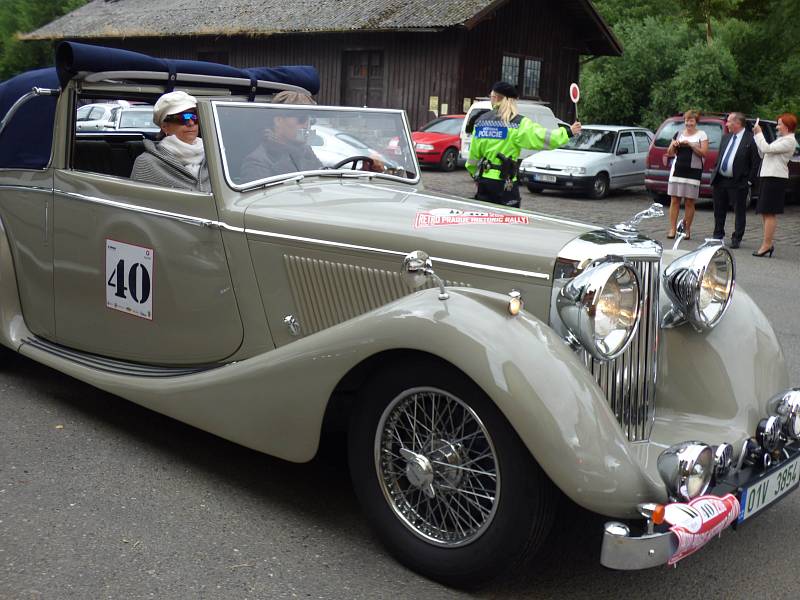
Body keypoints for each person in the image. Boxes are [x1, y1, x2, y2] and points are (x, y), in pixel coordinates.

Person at [466, 81, 581, 207]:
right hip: (506, 182)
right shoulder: (518, 123)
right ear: (512, 101)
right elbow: (544, 138)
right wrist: (569, 132)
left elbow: (473, 157)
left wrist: (476, 176)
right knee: (509, 222)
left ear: (496, 98)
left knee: (485, 220)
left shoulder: (480, 122)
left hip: (485, 181)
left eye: (491, 97)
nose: (491, 99)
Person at [131, 91, 210, 192]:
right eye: (183, 118)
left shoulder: (215, 156)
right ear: (165, 127)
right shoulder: (146, 162)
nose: (190, 123)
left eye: (194, 117)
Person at [239, 90, 324, 182]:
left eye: (311, 120)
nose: (307, 125)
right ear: (278, 120)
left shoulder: (306, 151)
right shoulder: (257, 162)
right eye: (302, 119)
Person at [751, 113, 797, 257]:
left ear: (787, 126)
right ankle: (767, 243)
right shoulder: (781, 139)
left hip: (775, 178)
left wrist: (759, 134)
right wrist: (758, 138)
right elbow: (764, 152)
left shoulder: (789, 141)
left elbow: (766, 149)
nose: (777, 126)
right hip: (768, 176)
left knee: (769, 211)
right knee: (765, 211)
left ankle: (767, 244)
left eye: (779, 124)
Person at [710, 112, 760, 248]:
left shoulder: (751, 139)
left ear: (737, 123)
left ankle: (737, 237)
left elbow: (755, 162)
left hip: (738, 181)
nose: (726, 124)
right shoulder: (726, 138)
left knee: (739, 210)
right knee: (718, 209)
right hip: (721, 180)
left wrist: (749, 181)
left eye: (729, 121)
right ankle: (718, 235)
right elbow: (720, 157)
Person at [665, 110, 708, 240]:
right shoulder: (678, 134)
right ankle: (672, 228)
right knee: (674, 200)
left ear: (696, 122)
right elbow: (670, 152)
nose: (688, 123)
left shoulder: (702, 134)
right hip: (677, 170)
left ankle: (687, 229)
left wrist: (690, 145)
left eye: (691, 121)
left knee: (689, 201)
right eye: (686, 121)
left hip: (693, 171)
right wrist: (674, 145)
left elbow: (703, 153)